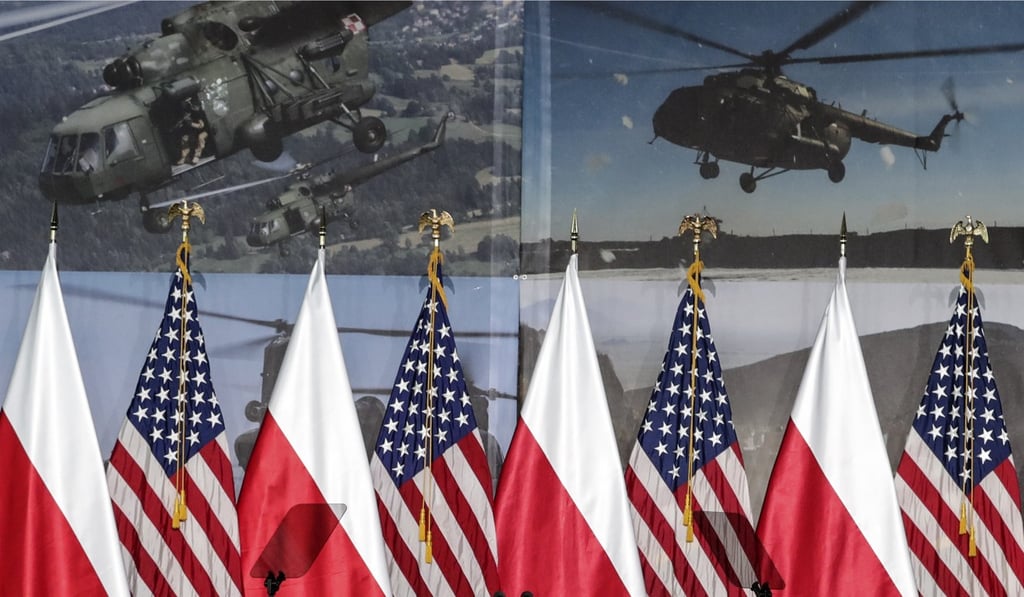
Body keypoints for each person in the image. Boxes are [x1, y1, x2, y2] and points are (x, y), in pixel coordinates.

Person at [176, 98, 208, 165]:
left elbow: (201, 125)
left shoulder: (199, 113)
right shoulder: (190, 112)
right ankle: (183, 157)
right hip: (194, 131)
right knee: (184, 138)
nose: (193, 107)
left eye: (194, 106)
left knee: (200, 137)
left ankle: (197, 156)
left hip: (205, 130)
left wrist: (190, 123)